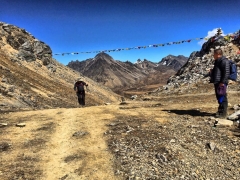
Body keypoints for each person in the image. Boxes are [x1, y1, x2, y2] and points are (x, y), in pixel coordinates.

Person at [210, 49, 230, 118]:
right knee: (219, 97)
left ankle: (223, 113)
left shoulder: (224, 61)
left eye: (214, 54)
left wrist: (222, 82)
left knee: (223, 96)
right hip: (217, 82)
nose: (213, 55)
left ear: (218, 54)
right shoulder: (218, 61)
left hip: (221, 82)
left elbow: (226, 72)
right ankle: (220, 111)